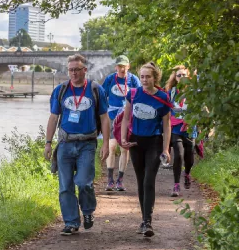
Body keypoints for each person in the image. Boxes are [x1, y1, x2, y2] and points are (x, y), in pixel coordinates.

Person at [44, 54, 110, 236]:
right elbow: (53, 117)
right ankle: (71, 222)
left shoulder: (96, 90)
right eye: (71, 70)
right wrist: (48, 143)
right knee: (65, 186)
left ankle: (88, 211)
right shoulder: (61, 90)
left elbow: (105, 118)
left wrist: (105, 143)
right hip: (65, 144)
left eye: (77, 70)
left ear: (84, 70)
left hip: (87, 144)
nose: (73, 73)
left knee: (83, 182)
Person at [121, 62, 171, 237]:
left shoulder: (163, 97)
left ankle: (147, 222)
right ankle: (144, 220)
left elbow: (167, 125)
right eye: (141, 76)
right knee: (141, 180)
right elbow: (126, 118)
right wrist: (123, 139)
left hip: (154, 142)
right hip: (136, 142)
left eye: (147, 76)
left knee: (149, 180)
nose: (144, 79)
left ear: (155, 78)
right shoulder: (133, 94)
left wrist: (166, 148)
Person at [101, 55, 141, 191]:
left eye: (124, 66)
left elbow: (140, 96)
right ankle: (110, 180)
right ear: (116, 67)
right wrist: (102, 114)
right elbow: (102, 96)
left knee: (124, 147)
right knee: (111, 147)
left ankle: (120, 180)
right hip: (112, 116)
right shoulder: (110, 79)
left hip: (128, 117)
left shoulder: (134, 80)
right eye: (119, 66)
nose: (122, 69)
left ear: (128, 66)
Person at [165, 66, 196, 197]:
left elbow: (199, 109)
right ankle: (176, 185)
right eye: (179, 75)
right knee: (178, 154)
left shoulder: (193, 92)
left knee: (189, 155)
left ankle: (187, 173)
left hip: (189, 128)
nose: (181, 77)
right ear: (175, 78)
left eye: (184, 75)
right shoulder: (171, 93)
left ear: (188, 77)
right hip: (175, 128)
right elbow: (166, 110)